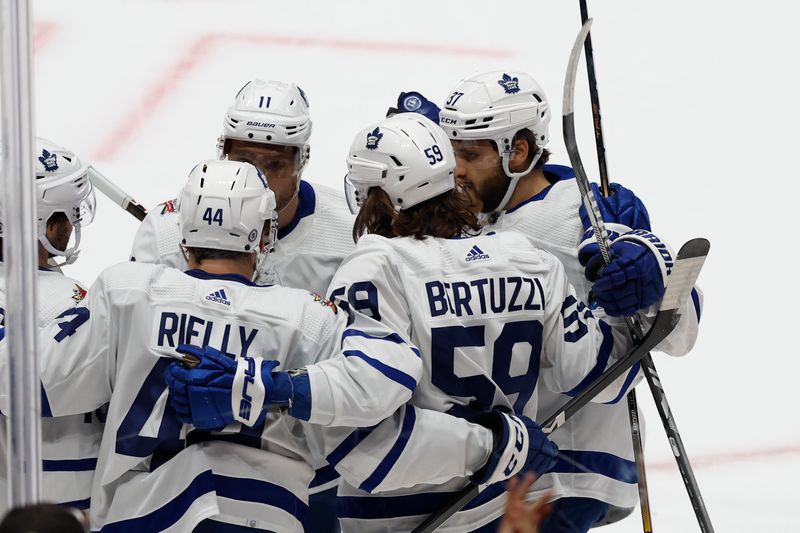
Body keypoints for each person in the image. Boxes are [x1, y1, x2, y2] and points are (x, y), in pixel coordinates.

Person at [0, 159, 425, 532]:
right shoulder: (302, 316)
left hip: (139, 516)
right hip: (265, 519)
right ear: (263, 234)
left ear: (183, 231)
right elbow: (393, 371)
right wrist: (281, 388)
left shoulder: (126, 292)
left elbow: (26, 385)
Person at [320, 113, 671, 532]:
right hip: (509, 511)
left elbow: (362, 444)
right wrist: (631, 275)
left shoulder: (375, 268)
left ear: (384, 197)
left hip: (399, 517)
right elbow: (602, 377)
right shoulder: (525, 259)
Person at [437, 70, 703, 531]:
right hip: (500, 475)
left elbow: (681, 331)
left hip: (566, 473)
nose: (456, 169)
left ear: (518, 151)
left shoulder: (579, 213)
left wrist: (650, 278)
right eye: (451, 152)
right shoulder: (470, 224)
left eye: (470, 154)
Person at [130, 78, 355, 296]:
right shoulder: (164, 231)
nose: (258, 177)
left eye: (274, 164)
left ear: (302, 162)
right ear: (223, 154)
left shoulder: (350, 234)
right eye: (244, 161)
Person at [0, 139, 102, 515]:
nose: (73, 223)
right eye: (68, 213)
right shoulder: (63, 298)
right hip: (59, 499)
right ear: (42, 223)